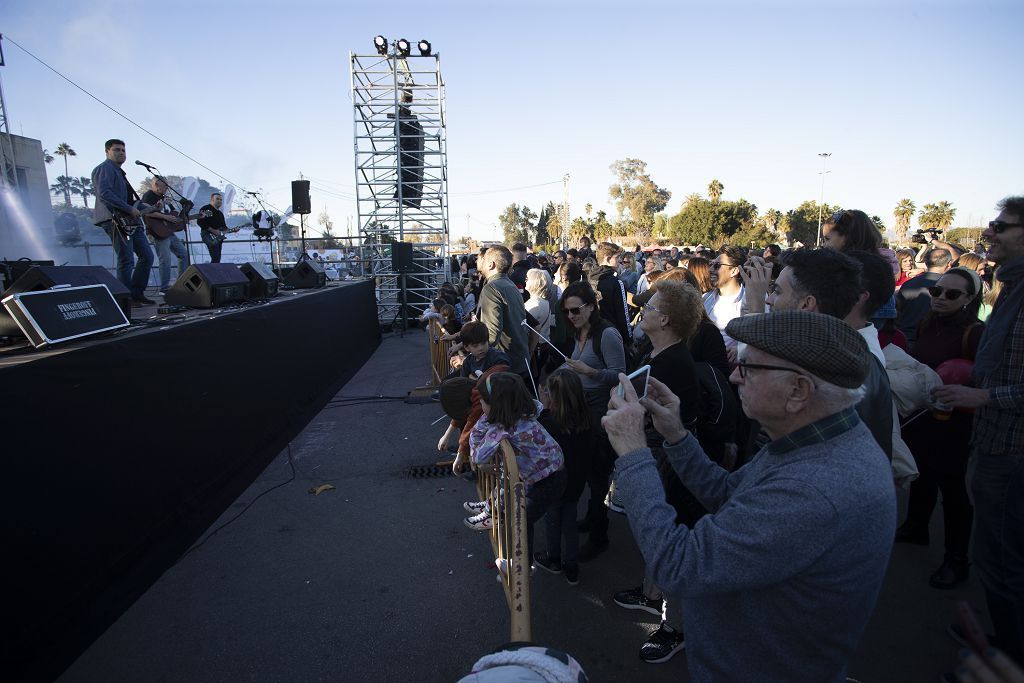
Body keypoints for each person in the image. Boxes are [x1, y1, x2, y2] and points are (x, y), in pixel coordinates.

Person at [602, 311, 896, 683]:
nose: (735, 375)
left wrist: (632, 452)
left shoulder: (814, 489)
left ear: (798, 391)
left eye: (749, 367)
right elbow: (729, 494)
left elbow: (678, 567)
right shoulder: (813, 438)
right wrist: (676, 435)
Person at [934, 196, 1024, 663]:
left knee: (1004, 561)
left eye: (1000, 226)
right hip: (993, 442)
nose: (989, 233)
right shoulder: (1012, 287)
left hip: (1011, 450)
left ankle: (1007, 658)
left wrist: (984, 395)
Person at [612, 278, 705, 663]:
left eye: (649, 308)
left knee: (670, 532)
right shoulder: (661, 354)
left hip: (671, 463)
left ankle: (675, 627)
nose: (642, 311)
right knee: (660, 533)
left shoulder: (672, 362)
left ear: (665, 319)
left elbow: (658, 422)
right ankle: (652, 594)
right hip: (665, 458)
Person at [896, 266, 984, 589]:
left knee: (953, 488)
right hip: (923, 414)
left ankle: (956, 559)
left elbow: (981, 378)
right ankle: (917, 526)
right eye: (937, 292)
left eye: (952, 294)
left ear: (969, 298)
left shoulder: (974, 333)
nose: (941, 298)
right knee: (923, 474)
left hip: (956, 422)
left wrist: (960, 387)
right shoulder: (926, 322)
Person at [767, 248, 895, 460]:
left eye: (777, 291)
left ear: (807, 303)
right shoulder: (818, 352)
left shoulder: (848, 368)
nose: (769, 300)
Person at [467, 372, 566, 563]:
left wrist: (485, 420)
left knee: (521, 519)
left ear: (497, 406)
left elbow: (479, 455)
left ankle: (520, 566)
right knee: (509, 490)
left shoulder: (504, 428)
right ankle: (492, 511)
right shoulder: (524, 413)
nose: (480, 406)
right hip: (547, 474)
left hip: (548, 481)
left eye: (483, 402)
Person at [561, 281, 626, 561]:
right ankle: (591, 518)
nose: (571, 316)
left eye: (576, 310)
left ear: (591, 306)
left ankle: (600, 535)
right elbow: (574, 364)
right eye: (567, 312)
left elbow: (620, 376)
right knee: (590, 472)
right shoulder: (580, 331)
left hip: (601, 414)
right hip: (582, 413)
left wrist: (589, 372)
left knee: (599, 475)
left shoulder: (607, 334)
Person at [532, 369, 594, 586]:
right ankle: (572, 566)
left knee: (553, 518)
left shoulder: (548, 422)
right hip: (577, 481)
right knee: (569, 520)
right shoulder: (587, 418)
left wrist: (542, 404)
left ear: (553, 396)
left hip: (555, 482)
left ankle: (553, 558)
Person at [91, 138, 154, 305]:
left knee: (147, 256)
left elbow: (128, 199)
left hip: (129, 221)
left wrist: (145, 206)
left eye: (123, 150)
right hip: (115, 220)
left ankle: (136, 293)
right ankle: (124, 299)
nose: (121, 153)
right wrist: (129, 209)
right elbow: (104, 194)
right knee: (126, 258)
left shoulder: (120, 173)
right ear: (107, 152)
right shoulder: (104, 169)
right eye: (117, 150)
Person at [476, 246, 531, 382]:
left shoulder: (492, 288)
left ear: (491, 264)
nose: (479, 261)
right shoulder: (509, 284)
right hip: (518, 362)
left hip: (503, 366)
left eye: (483, 259)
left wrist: (471, 353)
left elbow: (491, 335)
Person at [140, 178, 190, 293]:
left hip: (168, 231)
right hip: (157, 232)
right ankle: (164, 288)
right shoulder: (148, 195)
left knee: (183, 254)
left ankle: (180, 284)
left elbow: (173, 213)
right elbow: (146, 212)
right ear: (156, 185)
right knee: (165, 260)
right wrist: (165, 217)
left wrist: (182, 218)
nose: (167, 188)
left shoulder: (164, 198)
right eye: (165, 186)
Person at [898, 247, 954, 346]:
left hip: (904, 340)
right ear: (949, 264)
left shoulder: (908, 284)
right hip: (932, 343)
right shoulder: (950, 288)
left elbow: (898, 312)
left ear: (927, 263)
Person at [702, 245, 747, 350]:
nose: (710, 269)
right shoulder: (705, 298)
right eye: (711, 264)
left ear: (734, 271)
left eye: (717, 265)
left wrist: (739, 348)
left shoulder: (748, 301)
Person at [587, 242, 631, 343]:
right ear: (607, 259)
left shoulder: (588, 278)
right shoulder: (616, 282)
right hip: (610, 335)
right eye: (617, 257)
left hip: (589, 333)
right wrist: (628, 341)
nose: (620, 261)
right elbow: (623, 315)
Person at [197, 192, 229, 263]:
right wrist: (213, 231)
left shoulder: (220, 213)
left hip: (218, 237)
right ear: (212, 200)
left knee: (217, 258)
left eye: (221, 199)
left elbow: (224, 227)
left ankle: (214, 272)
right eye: (217, 199)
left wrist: (233, 230)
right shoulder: (205, 208)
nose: (219, 201)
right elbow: (200, 222)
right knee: (215, 257)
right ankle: (212, 272)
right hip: (207, 234)